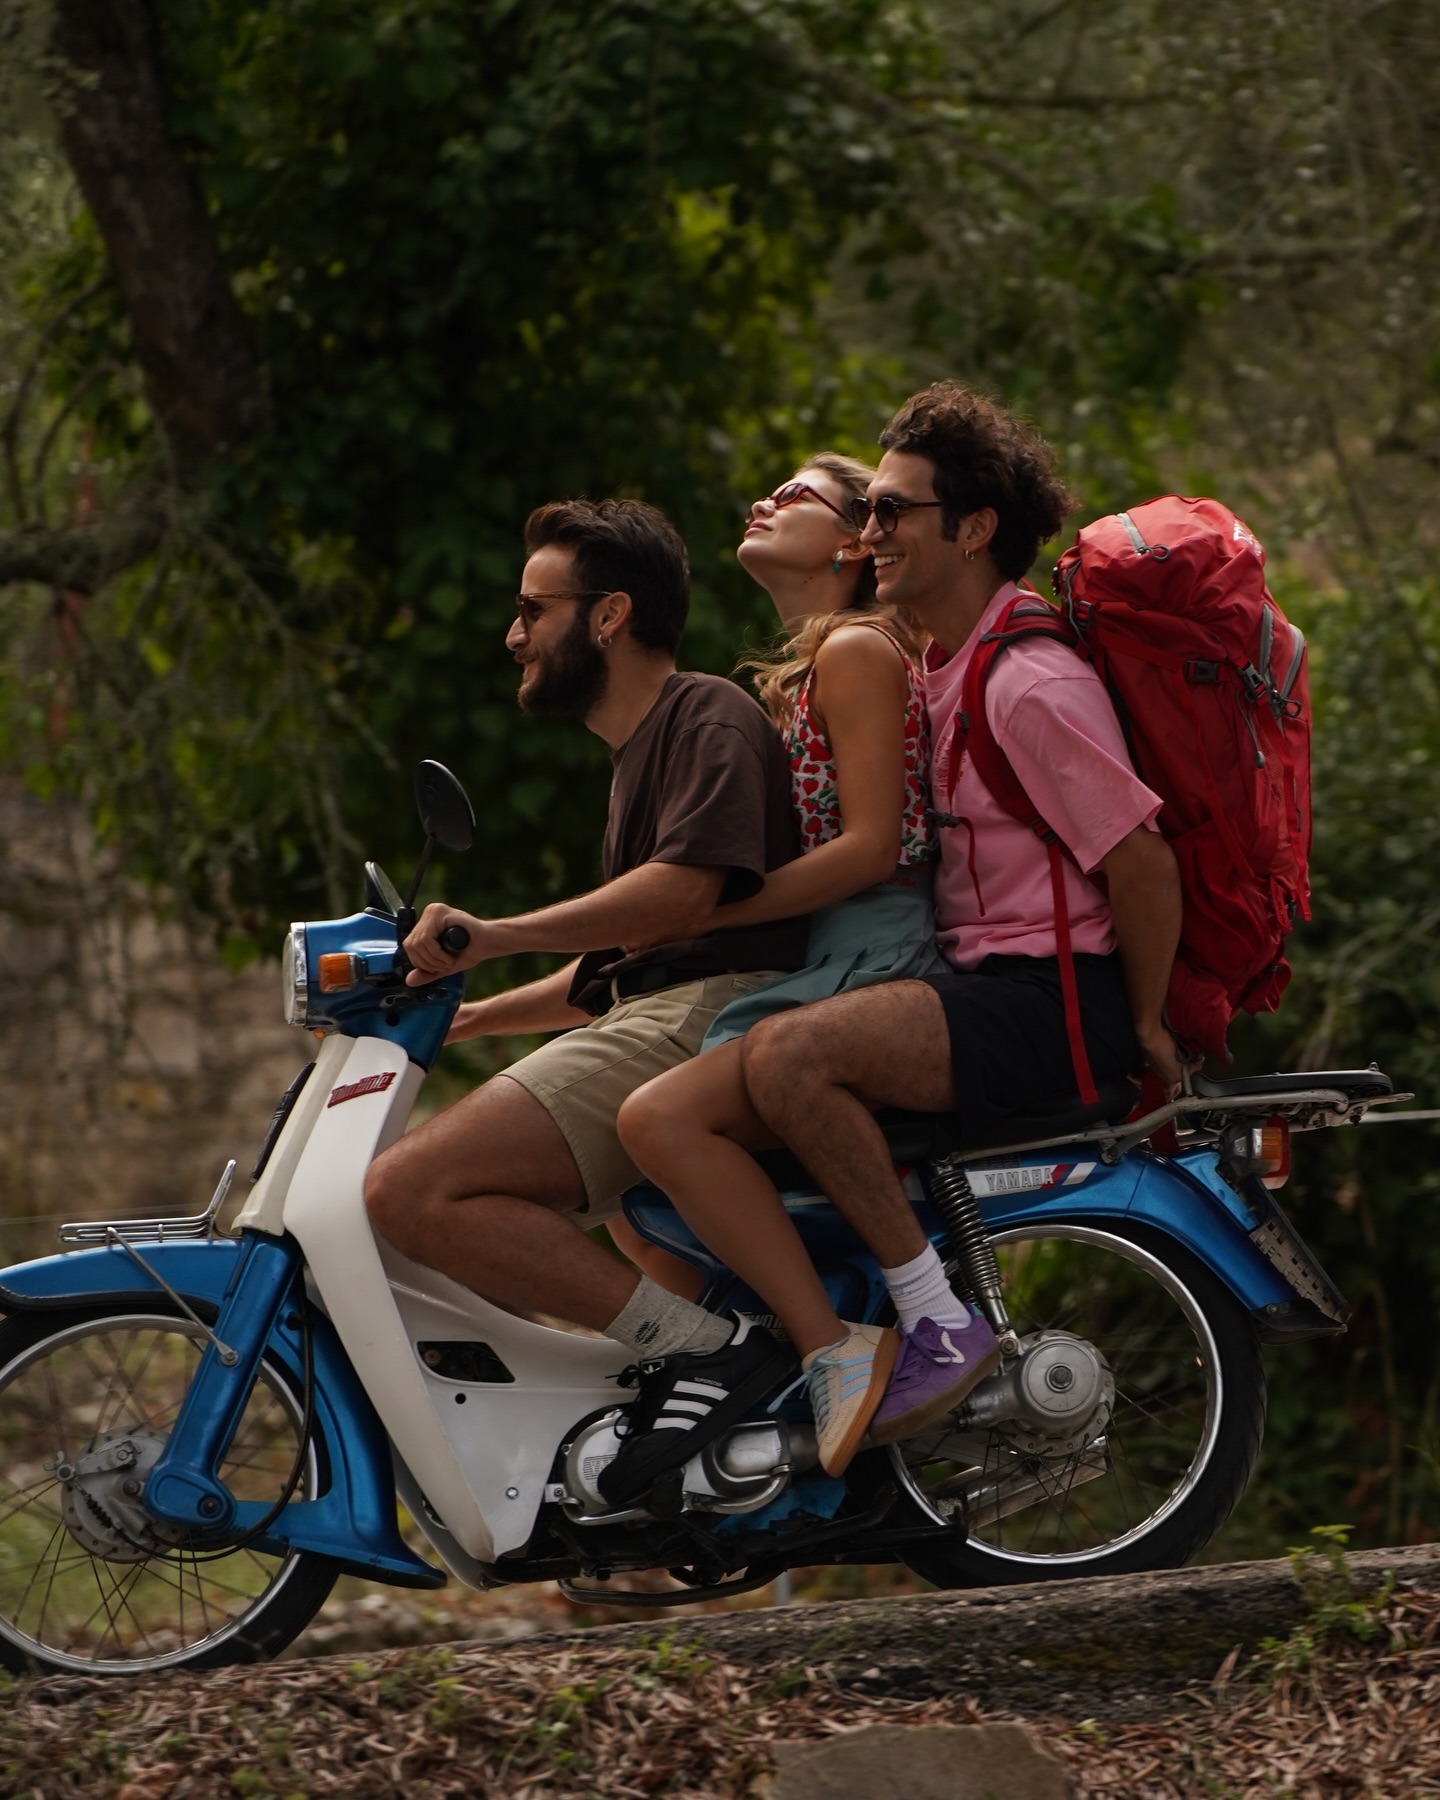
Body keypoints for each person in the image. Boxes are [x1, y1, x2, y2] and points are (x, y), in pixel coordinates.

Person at [729, 382, 1185, 1448]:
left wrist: (1152, 1025)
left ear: (975, 528)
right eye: (869, 510)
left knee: (788, 1063)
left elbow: (1142, 862)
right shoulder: (938, 660)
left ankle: (936, 1326)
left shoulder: (1029, 680)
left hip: (1049, 1000)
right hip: (975, 986)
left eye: (895, 513)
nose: (871, 531)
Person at [365, 496, 807, 1461]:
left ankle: (715, 1354)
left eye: (535, 610)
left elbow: (683, 901)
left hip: (716, 1013)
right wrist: (463, 1016)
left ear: (608, 615)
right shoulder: (637, 752)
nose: (514, 634)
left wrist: (497, 932)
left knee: (409, 1192)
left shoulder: (707, 714)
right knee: (418, 1205)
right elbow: (615, 966)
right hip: (662, 1008)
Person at [606, 453, 948, 1490]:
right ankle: (719, 1379)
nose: (764, 502)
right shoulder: (813, 663)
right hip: (831, 944)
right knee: (638, 1169)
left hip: (874, 943)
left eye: (795, 496)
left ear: (854, 544)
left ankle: (823, 1343)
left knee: (658, 1121)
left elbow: (874, 848)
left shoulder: (855, 650)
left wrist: (716, 909)